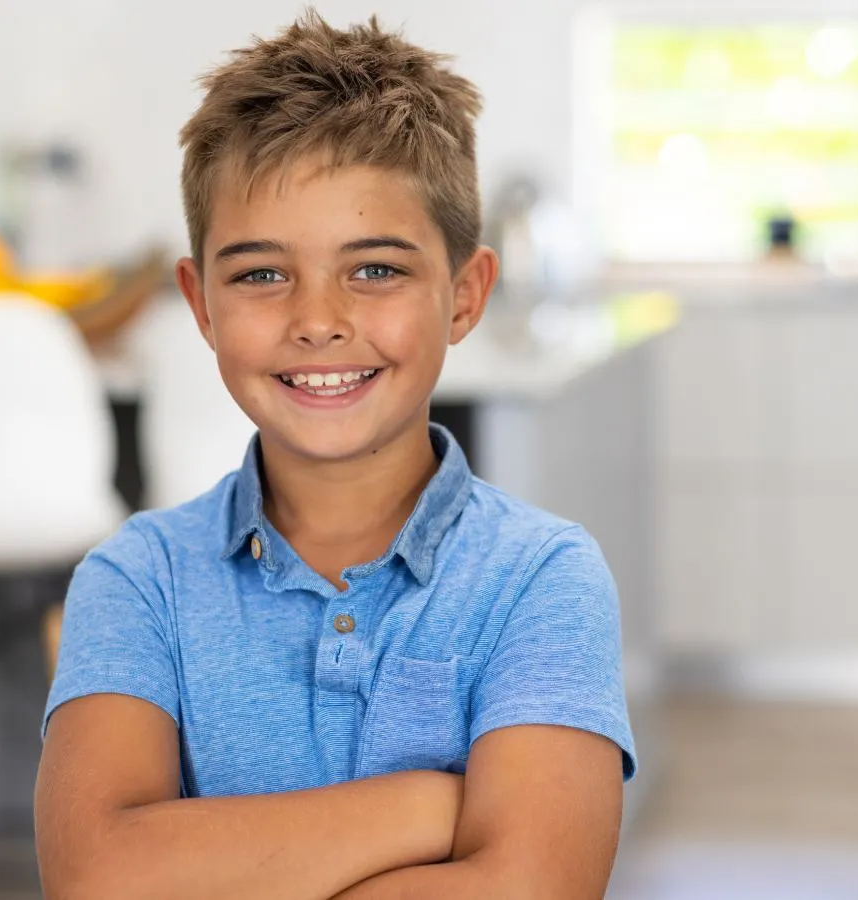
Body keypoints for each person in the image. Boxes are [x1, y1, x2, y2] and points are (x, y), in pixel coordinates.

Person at [35, 12, 635, 899]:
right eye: (262, 274)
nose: (318, 320)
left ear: (464, 295)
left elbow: (529, 887)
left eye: (376, 269)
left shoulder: (539, 577)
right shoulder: (137, 580)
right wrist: (433, 805)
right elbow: (98, 878)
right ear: (201, 305)